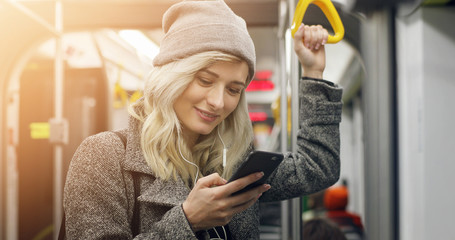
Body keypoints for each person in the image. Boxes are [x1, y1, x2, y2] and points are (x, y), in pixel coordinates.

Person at [63, 0, 343, 239]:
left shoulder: (231, 161)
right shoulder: (104, 157)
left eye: (233, 89)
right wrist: (187, 220)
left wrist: (313, 71)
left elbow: (317, 168)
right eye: (205, 80)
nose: (218, 102)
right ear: (172, 77)